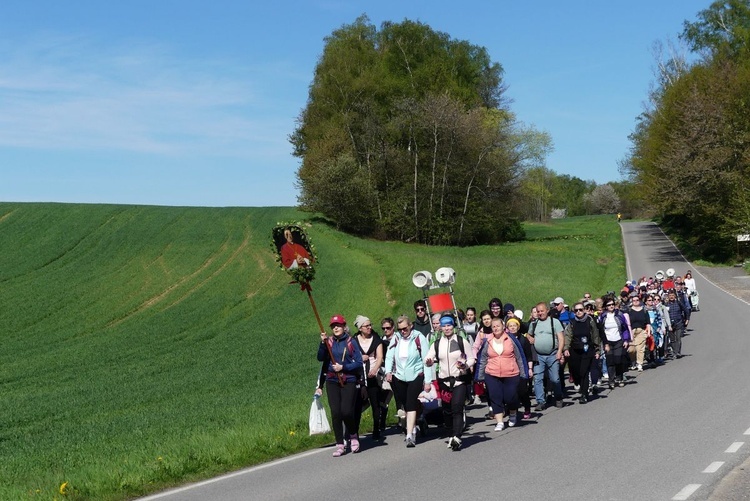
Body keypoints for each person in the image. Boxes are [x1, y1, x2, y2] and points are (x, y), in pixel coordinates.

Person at [425, 316, 475, 451]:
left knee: (457, 407)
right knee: (447, 411)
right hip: (444, 382)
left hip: (459, 380)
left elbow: (471, 358)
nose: (447, 328)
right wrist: (429, 361)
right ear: (440, 327)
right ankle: (451, 434)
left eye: (449, 326)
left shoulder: (461, 341)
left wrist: (465, 365)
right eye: (444, 326)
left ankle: (457, 436)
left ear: (453, 326)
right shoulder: (436, 343)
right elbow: (428, 357)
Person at [317, 314, 364, 457]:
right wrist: (322, 344)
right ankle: (340, 444)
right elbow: (320, 358)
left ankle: (353, 435)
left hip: (348, 379)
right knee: (336, 413)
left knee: (347, 412)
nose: (336, 328)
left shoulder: (351, 342)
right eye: (333, 326)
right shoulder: (329, 342)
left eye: (338, 325)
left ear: (344, 327)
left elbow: (359, 362)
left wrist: (343, 367)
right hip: (332, 381)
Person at [384, 315, 432, 448]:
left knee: (410, 404)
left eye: (405, 328)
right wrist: (388, 372)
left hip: (416, 375)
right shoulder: (396, 338)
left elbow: (426, 360)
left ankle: (410, 435)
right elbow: (389, 356)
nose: (403, 331)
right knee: (406, 404)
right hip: (399, 376)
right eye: (400, 329)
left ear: (410, 326)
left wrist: (427, 381)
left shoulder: (418, 338)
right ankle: (419, 417)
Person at [478, 317, 528, 431]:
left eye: (498, 326)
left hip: (511, 373)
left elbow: (519, 357)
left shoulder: (511, 339)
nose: (496, 328)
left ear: (503, 327)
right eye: (493, 326)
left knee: (510, 397)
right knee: (495, 396)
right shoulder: (487, 341)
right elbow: (483, 358)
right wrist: (480, 376)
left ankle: (513, 412)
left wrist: (524, 373)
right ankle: (499, 422)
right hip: (492, 373)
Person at [528, 302, 565, 410]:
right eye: (538, 311)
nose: (540, 313)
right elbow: (529, 335)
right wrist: (530, 339)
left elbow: (561, 338)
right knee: (538, 378)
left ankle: (558, 397)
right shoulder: (534, 324)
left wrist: (559, 352)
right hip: (538, 356)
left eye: (542, 311)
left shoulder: (555, 322)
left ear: (547, 310)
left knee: (555, 379)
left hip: (552, 354)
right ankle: (540, 401)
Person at [563, 302, 601, 403]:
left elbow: (595, 335)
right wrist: (566, 348)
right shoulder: (572, 322)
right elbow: (568, 336)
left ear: (584, 310)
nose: (579, 312)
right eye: (576, 310)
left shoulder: (590, 320)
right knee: (575, 371)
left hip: (587, 349)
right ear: (574, 312)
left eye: (580, 310)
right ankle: (578, 383)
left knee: (584, 372)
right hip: (575, 350)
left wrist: (597, 349)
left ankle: (584, 394)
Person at [353, 315, 384, 440]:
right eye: (367, 326)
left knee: (375, 403)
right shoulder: (354, 340)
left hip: (372, 375)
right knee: (358, 404)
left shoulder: (376, 339)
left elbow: (380, 357)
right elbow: (351, 357)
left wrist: (375, 369)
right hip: (360, 376)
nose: (370, 327)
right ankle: (354, 432)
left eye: (370, 325)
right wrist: (360, 358)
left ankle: (376, 429)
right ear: (360, 328)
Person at [597, 297, 631, 389]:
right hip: (608, 342)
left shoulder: (619, 315)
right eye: (609, 305)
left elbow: (624, 328)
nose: (611, 306)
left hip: (618, 341)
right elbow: (600, 331)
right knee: (610, 361)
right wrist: (604, 343)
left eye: (612, 304)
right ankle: (611, 381)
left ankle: (619, 378)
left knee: (618, 360)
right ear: (605, 307)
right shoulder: (603, 317)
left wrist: (626, 339)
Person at [377, 317, 396, 433]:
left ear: (393, 328)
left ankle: (404, 421)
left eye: (388, 328)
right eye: (383, 328)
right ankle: (382, 421)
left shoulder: (398, 339)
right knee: (384, 396)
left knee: (400, 397)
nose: (386, 330)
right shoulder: (381, 341)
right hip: (385, 371)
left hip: (398, 371)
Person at [625, 295, 652, 372]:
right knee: (631, 350)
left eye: (637, 300)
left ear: (639, 301)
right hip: (631, 332)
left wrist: (648, 332)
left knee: (640, 349)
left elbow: (648, 323)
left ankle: (639, 363)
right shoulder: (629, 311)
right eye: (634, 300)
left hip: (641, 331)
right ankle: (633, 361)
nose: (635, 301)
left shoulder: (644, 311)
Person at [664, 290, 689, 359]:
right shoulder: (665, 305)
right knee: (672, 340)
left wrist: (687, 319)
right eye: (670, 295)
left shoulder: (678, 303)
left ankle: (678, 352)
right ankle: (675, 352)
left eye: (672, 295)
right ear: (668, 296)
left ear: (675, 296)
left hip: (678, 323)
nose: (671, 297)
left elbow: (686, 311)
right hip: (670, 325)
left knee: (678, 338)